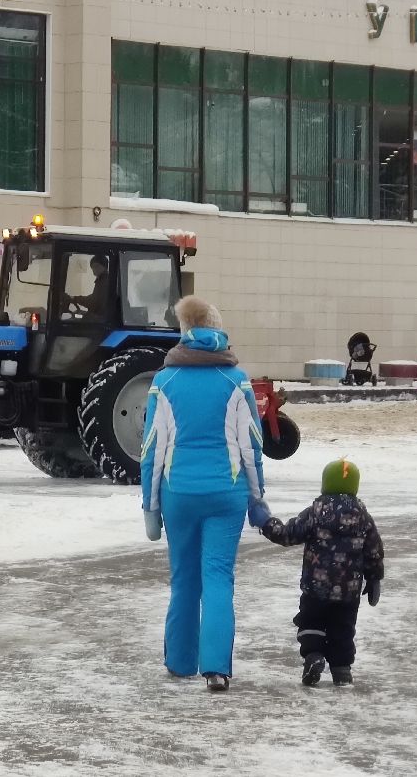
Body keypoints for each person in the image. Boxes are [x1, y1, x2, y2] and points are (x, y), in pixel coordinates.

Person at [140, 295, 265, 692]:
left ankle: (180, 662)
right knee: (218, 577)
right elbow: (251, 446)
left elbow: (152, 450)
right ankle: (216, 668)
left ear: (184, 331)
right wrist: (257, 499)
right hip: (226, 494)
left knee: (184, 579)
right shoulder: (236, 380)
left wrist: (150, 506)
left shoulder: (164, 382)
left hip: (178, 494)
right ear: (218, 330)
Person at [249, 459, 385, 687]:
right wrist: (374, 578)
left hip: (316, 588)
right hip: (348, 592)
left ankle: (314, 656)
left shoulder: (316, 512)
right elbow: (374, 550)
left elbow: (288, 534)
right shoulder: (363, 516)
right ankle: (342, 670)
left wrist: (266, 522)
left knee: (311, 622)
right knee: (343, 629)